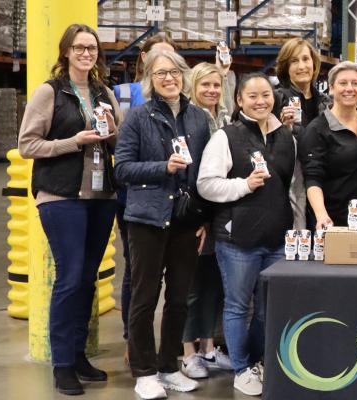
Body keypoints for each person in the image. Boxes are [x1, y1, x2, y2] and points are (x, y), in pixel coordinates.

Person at [17, 23, 120, 396]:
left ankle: (77, 355)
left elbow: (119, 144)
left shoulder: (104, 92)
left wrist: (113, 132)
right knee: (70, 276)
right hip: (61, 195)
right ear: (66, 52)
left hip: (100, 195)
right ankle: (61, 365)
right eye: (79, 48)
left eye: (91, 48)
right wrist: (72, 141)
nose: (86, 54)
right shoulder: (50, 92)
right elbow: (27, 145)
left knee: (88, 278)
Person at [197, 73, 306, 396]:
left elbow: (295, 189)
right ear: (240, 100)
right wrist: (243, 185)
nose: (260, 101)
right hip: (237, 241)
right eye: (253, 96)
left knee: (267, 308)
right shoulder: (226, 137)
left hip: (278, 240)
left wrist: (298, 232)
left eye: (266, 95)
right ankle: (241, 368)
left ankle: (257, 360)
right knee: (237, 306)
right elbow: (206, 184)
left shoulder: (287, 138)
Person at [113, 49, 210, 399]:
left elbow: (205, 173)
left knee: (179, 298)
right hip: (147, 219)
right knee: (144, 297)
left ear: (183, 75)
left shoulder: (198, 118)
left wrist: (205, 218)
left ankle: (169, 366)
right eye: (160, 74)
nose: (169, 79)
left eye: (174, 72)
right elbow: (122, 169)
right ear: (150, 80)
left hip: (186, 220)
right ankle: (144, 372)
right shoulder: (138, 118)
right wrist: (162, 167)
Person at [179, 62, 234, 379]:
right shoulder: (189, 119)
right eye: (205, 85)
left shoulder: (223, 118)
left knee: (213, 284)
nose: (212, 90)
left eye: (216, 85)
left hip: (219, 214)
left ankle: (209, 348)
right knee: (192, 286)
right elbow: (191, 173)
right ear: (193, 87)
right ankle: (188, 353)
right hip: (197, 214)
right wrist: (198, 217)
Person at [301, 61, 357, 230]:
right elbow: (313, 178)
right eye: (343, 83)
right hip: (334, 221)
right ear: (331, 88)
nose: (349, 88)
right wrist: (321, 215)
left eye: (355, 83)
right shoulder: (317, 129)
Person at [273, 37, 330, 130]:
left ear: (313, 63)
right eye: (294, 61)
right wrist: (283, 128)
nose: (301, 67)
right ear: (286, 67)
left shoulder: (326, 102)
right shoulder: (275, 100)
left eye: (305, 59)